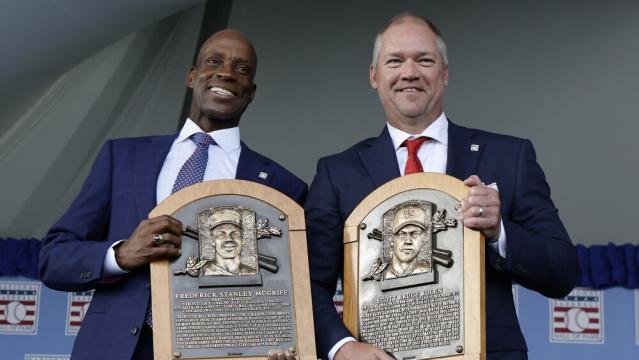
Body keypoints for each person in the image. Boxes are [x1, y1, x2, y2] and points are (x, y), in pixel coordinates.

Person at [305, 13, 579, 360]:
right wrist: (341, 347)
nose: (409, 72)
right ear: (374, 76)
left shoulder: (508, 156)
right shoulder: (336, 172)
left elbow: (563, 270)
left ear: (444, 73)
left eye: (424, 60)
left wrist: (499, 233)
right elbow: (309, 284)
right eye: (394, 61)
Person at [39, 29, 306, 360]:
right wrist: (120, 255)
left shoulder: (282, 187)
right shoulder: (121, 157)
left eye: (242, 69)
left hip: (219, 352)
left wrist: (280, 341)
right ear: (192, 76)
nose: (226, 73)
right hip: (116, 349)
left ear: (250, 93)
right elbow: (55, 258)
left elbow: (287, 293)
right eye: (214, 61)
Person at [202, 207, 254, 276]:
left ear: (242, 239)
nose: (229, 239)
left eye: (234, 234)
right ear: (212, 240)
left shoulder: (252, 272)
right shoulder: (205, 272)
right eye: (221, 234)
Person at [386, 203, 431, 279]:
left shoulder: (427, 270)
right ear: (391, 238)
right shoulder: (381, 274)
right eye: (401, 234)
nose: (408, 241)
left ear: (424, 238)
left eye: (415, 234)